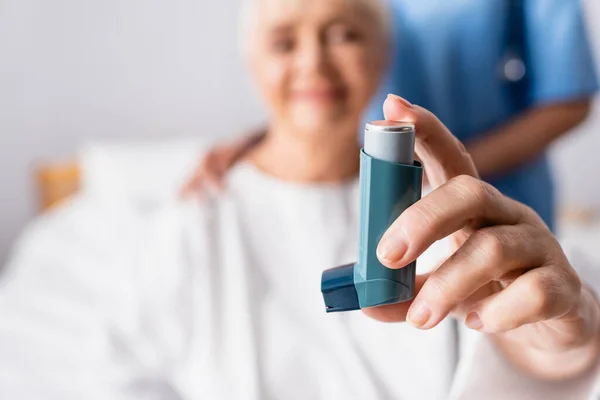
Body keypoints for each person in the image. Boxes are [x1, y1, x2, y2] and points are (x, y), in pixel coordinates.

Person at [0, 0, 599, 399]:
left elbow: (528, 361)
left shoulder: (442, 232)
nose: (313, 61)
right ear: (252, 63)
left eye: (343, 35)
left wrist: (570, 347)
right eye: (284, 42)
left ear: (381, 56)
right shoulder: (190, 229)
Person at [185, 0, 598, 232]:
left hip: (492, 190)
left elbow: (568, 97)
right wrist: (269, 142)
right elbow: (319, 62)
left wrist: (438, 171)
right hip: (371, 189)